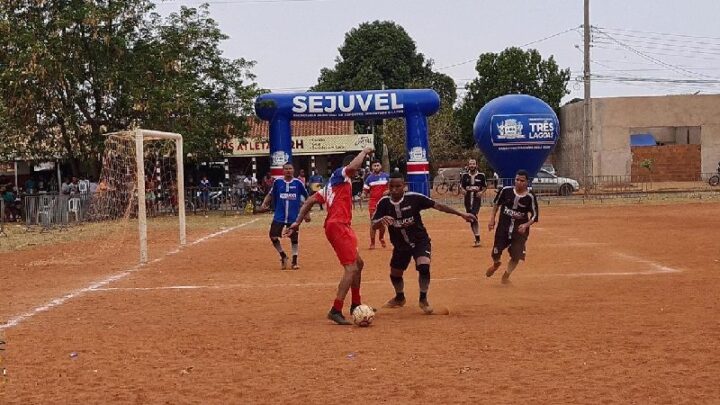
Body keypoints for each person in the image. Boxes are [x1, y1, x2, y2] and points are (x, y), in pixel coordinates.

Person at [284, 146, 375, 325]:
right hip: (338, 226)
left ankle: (355, 303)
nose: (358, 171)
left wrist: (297, 222)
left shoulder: (332, 186)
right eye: (356, 168)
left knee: (359, 264)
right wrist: (364, 152)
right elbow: (353, 166)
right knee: (351, 268)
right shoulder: (340, 174)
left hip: (339, 226)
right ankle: (336, 309)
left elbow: (309, 201)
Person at [372, 172, 476, 314]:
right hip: (400, 246)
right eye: (392, 186)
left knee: (423, 266)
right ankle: (399, 297)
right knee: (395, 274)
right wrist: (380, 221)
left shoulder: (414, 198)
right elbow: (373, 225)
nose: (395, 189)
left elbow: (437, 206)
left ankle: (423, 299)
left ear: (405, 187)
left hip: (420, 240)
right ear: (388, 187)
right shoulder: (384, 203)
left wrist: (461, 214)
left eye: (398, 186)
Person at [486, 169, 539, 284]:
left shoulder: (530, 196)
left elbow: (535, 216)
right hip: (503, 228)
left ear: (527, 182)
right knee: (496, 252)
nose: (519, 182)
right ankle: (496, 264)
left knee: (516, 255)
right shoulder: (505, 191)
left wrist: (525, 225)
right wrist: (492, 219)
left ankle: (506, 275)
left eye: (522, 180)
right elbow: (496, 204)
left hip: (519, 231)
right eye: (517, 180)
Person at [260, 163, 309, 270]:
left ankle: (295, 261)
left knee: (294, 238)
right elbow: (270, 194)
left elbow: (307, 198)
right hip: (279, 216)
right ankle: (283, 256)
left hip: (293, 216)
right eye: (286, 169)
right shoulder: (278, 182)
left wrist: (306, 213)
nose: (288, 171)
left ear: (293, 170)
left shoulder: (298, 183)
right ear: (283, 171)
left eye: (290, 169)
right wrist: (264, 203)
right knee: (273, 236)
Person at [460, 159, 487, 247]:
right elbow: (461, 187)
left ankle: (478, 240)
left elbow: (484, 187)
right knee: (471, 219)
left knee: (473, 216)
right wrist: (463, 191)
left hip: (476, 200)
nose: (472, 165)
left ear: (476, 165)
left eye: (473, 164)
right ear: (468, 165)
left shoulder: (481, 175)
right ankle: (477, 238)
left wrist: (481, 192)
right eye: (470, 164)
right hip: (467, 200)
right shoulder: (464, 176)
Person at [362, 159, 390, 249]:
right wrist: (362, 195)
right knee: (373, 223)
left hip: (384, 203)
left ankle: (381, 238)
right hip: (373, 203)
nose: (376, 167)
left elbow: (393, 187)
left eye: (378, 165)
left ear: (380, 166)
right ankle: (372, 243)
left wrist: (388, 191)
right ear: (372, 167)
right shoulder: (369, 178)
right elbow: (365, 191)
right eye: (374, 166)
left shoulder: (386, 177)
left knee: (382, 223)